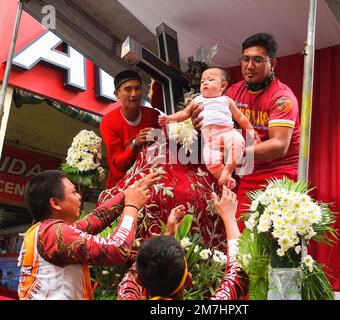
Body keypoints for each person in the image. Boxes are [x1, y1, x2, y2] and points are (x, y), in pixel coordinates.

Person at [192, 33, 300, 229]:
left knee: (274, 239)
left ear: (272, 63)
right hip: (249, 172)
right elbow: (213, 120)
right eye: (245, 59)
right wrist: (197, 121)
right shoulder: (234, 92)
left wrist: (235, 153)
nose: (249, 66)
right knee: (242, 235)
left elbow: (279, 146)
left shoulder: (282, 97)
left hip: (281, 174)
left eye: (258, 60)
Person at [17, 169, 164, 300]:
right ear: (56, 203)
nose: (80, 196)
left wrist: (131, 191)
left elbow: (96, 219)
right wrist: (132, 206)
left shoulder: (44, 231)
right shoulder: (54, 233)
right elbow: (117, 249)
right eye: (74, 192)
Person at [117, 186, 248, 300]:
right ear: (188, 280)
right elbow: (238, 274)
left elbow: (130, 279)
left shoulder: (126, 295)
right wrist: (229, 217)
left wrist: (167, 239)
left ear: (140, 280)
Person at [159, 67, 260, 189]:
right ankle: (226, 179)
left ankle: (228, 170)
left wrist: (251, 131)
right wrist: (168, 118)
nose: (205, 83)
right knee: (211, 162)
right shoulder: (197, 100)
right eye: (202, 81)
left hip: (228, 132)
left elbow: (240, 117)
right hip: (210, 140)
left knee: (237, 143)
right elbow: (185, 114)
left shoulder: (226, 100)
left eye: (210, 80)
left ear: (223, 86)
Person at [100, 70, 160, 188]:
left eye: (137, 88)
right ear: (117, 94)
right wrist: (135, 143)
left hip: (152, 180)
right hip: (121, 185)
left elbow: (163, 151)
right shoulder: (109, 122)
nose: (134, 94)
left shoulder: (153, 115)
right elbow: (118, 164)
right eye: (128, 89)